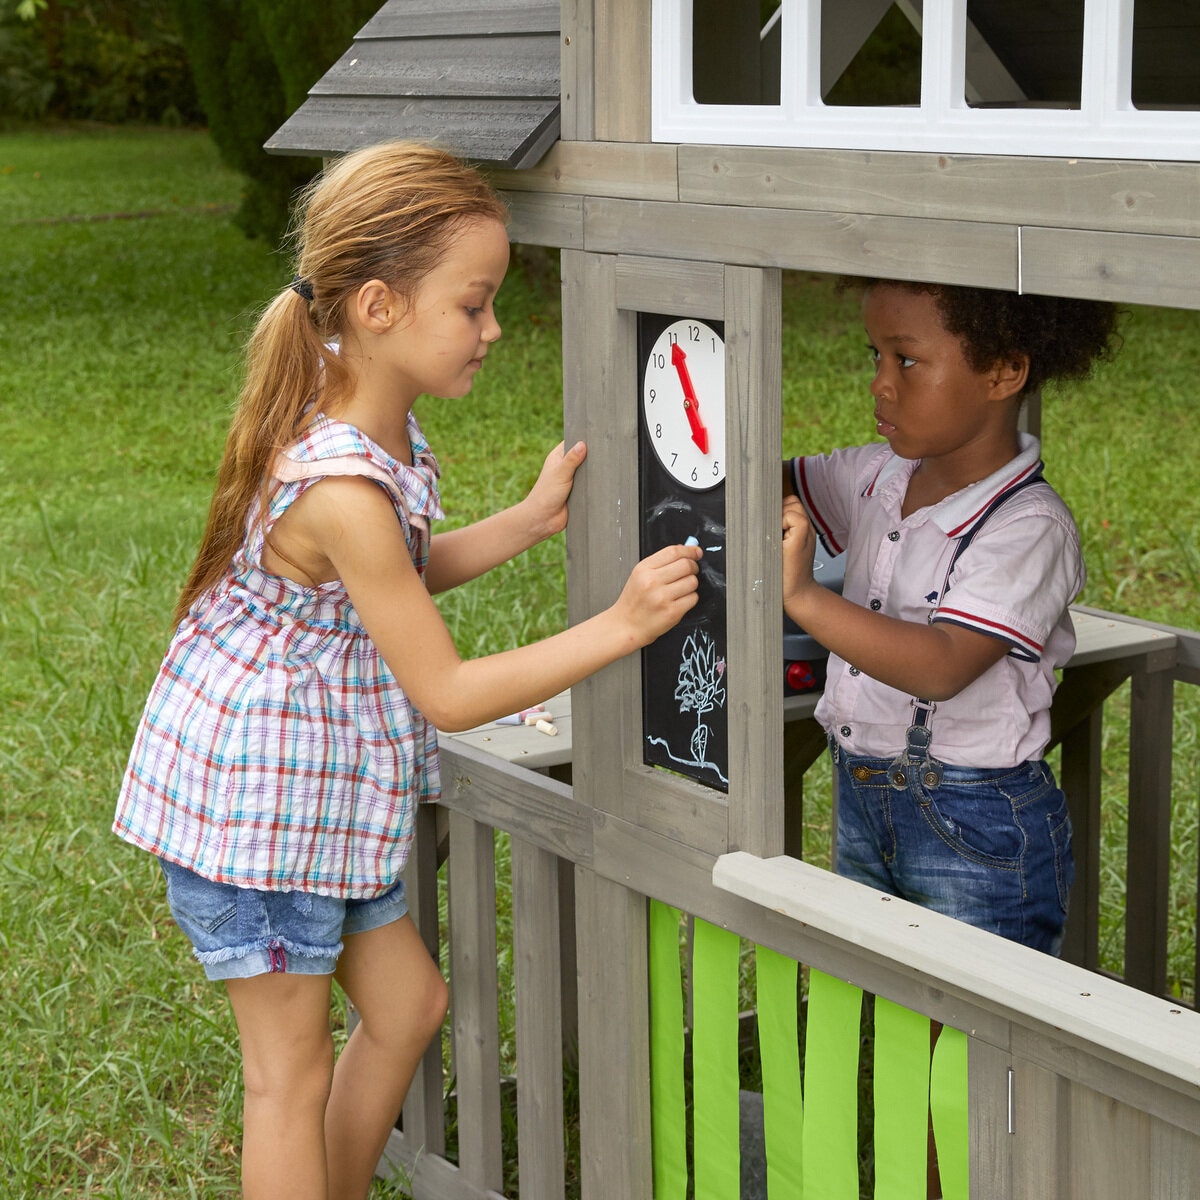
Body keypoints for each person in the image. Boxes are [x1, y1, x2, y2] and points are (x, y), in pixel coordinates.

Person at [113, 140, 701, 1200]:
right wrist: (620, 625)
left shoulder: (379, 437)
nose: (493, 329)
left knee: (409, 1007)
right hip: (263, 817)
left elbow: (394, 576)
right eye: (473, 306)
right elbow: (450, 692)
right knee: (283, 1080)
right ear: (379, 305)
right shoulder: (340, 485)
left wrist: (522, 523)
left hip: (322, 808)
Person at [781, 278, 1120, 956]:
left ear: (1003, 372)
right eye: (874, 356)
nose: (879, 384)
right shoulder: (879, 477)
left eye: (905, 360)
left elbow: (942, 665)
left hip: (976, 823)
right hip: (863, 794)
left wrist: (806, 597)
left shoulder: (1030, 527)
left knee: (979, 1038)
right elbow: (763, 480)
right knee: (888, 1001)